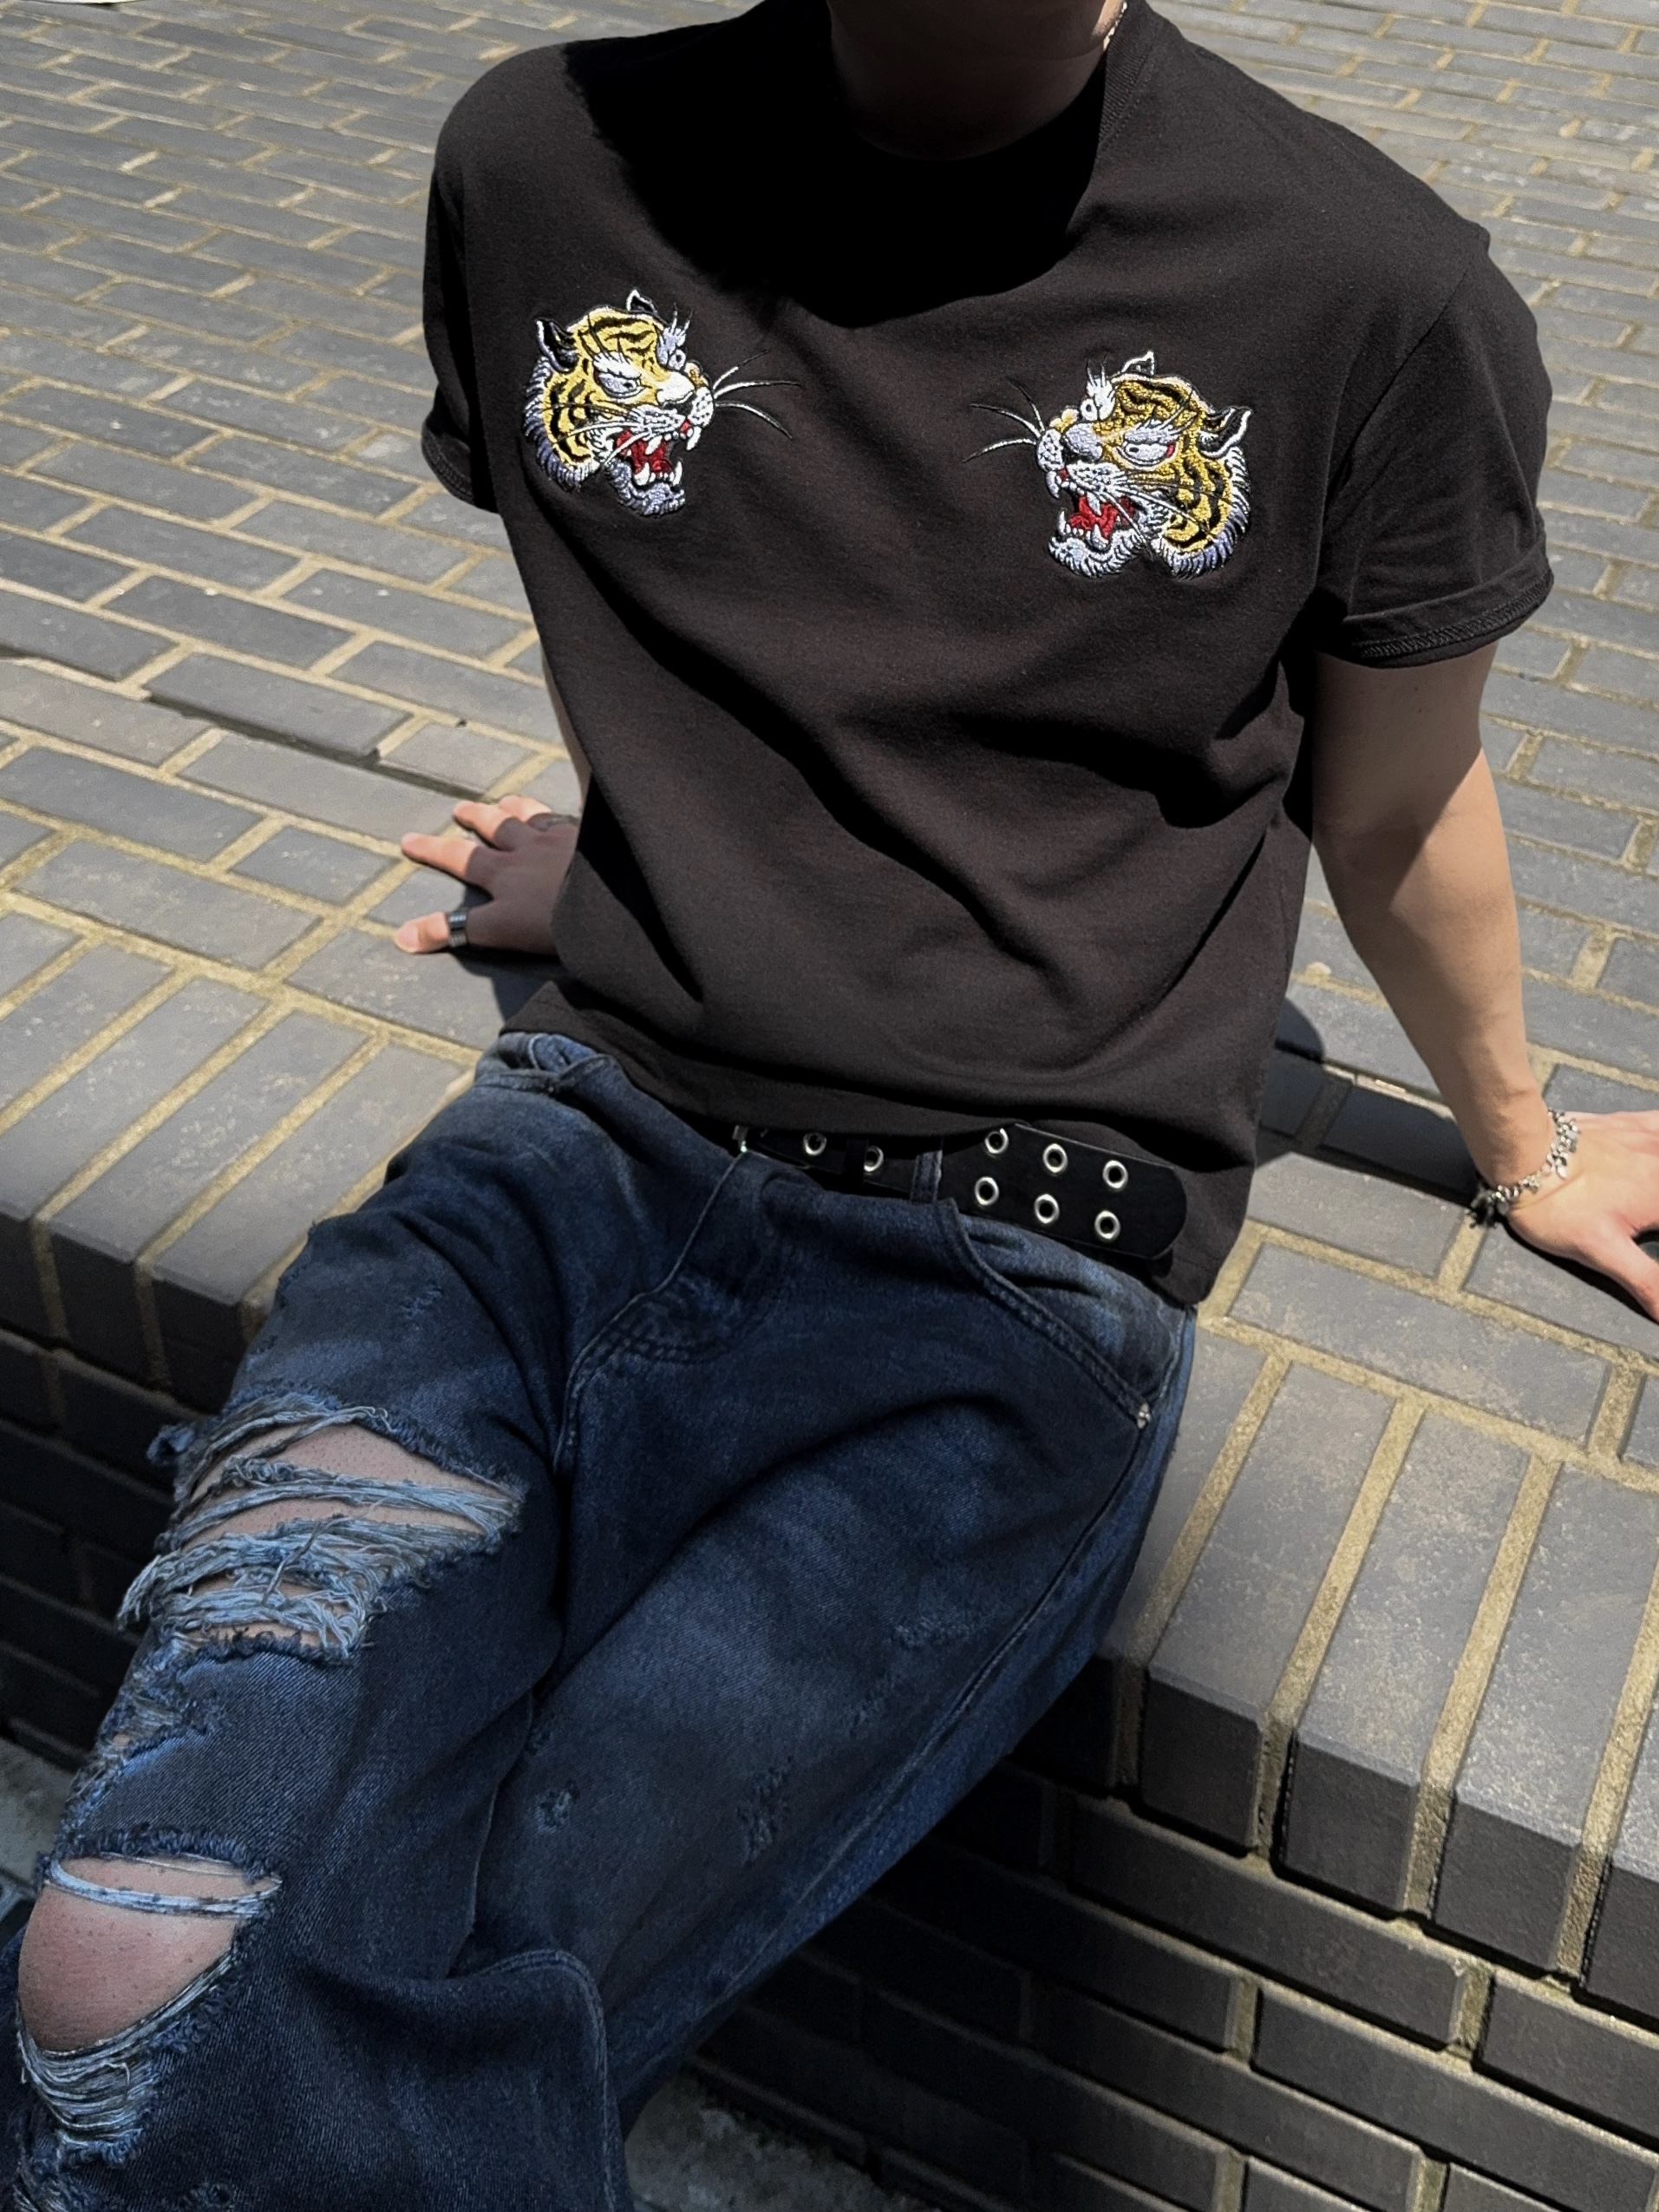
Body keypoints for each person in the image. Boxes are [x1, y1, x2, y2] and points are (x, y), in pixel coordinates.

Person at [8, 0, 1659, 2203]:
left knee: (451, 1992)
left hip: (1008, 1259)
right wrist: (644, 862)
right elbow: (737, 605)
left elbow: (1397, 802)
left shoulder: (1372, 286)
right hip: (569, 1150)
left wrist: (1524, 1142)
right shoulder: (542, 157)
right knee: (122, 1958)